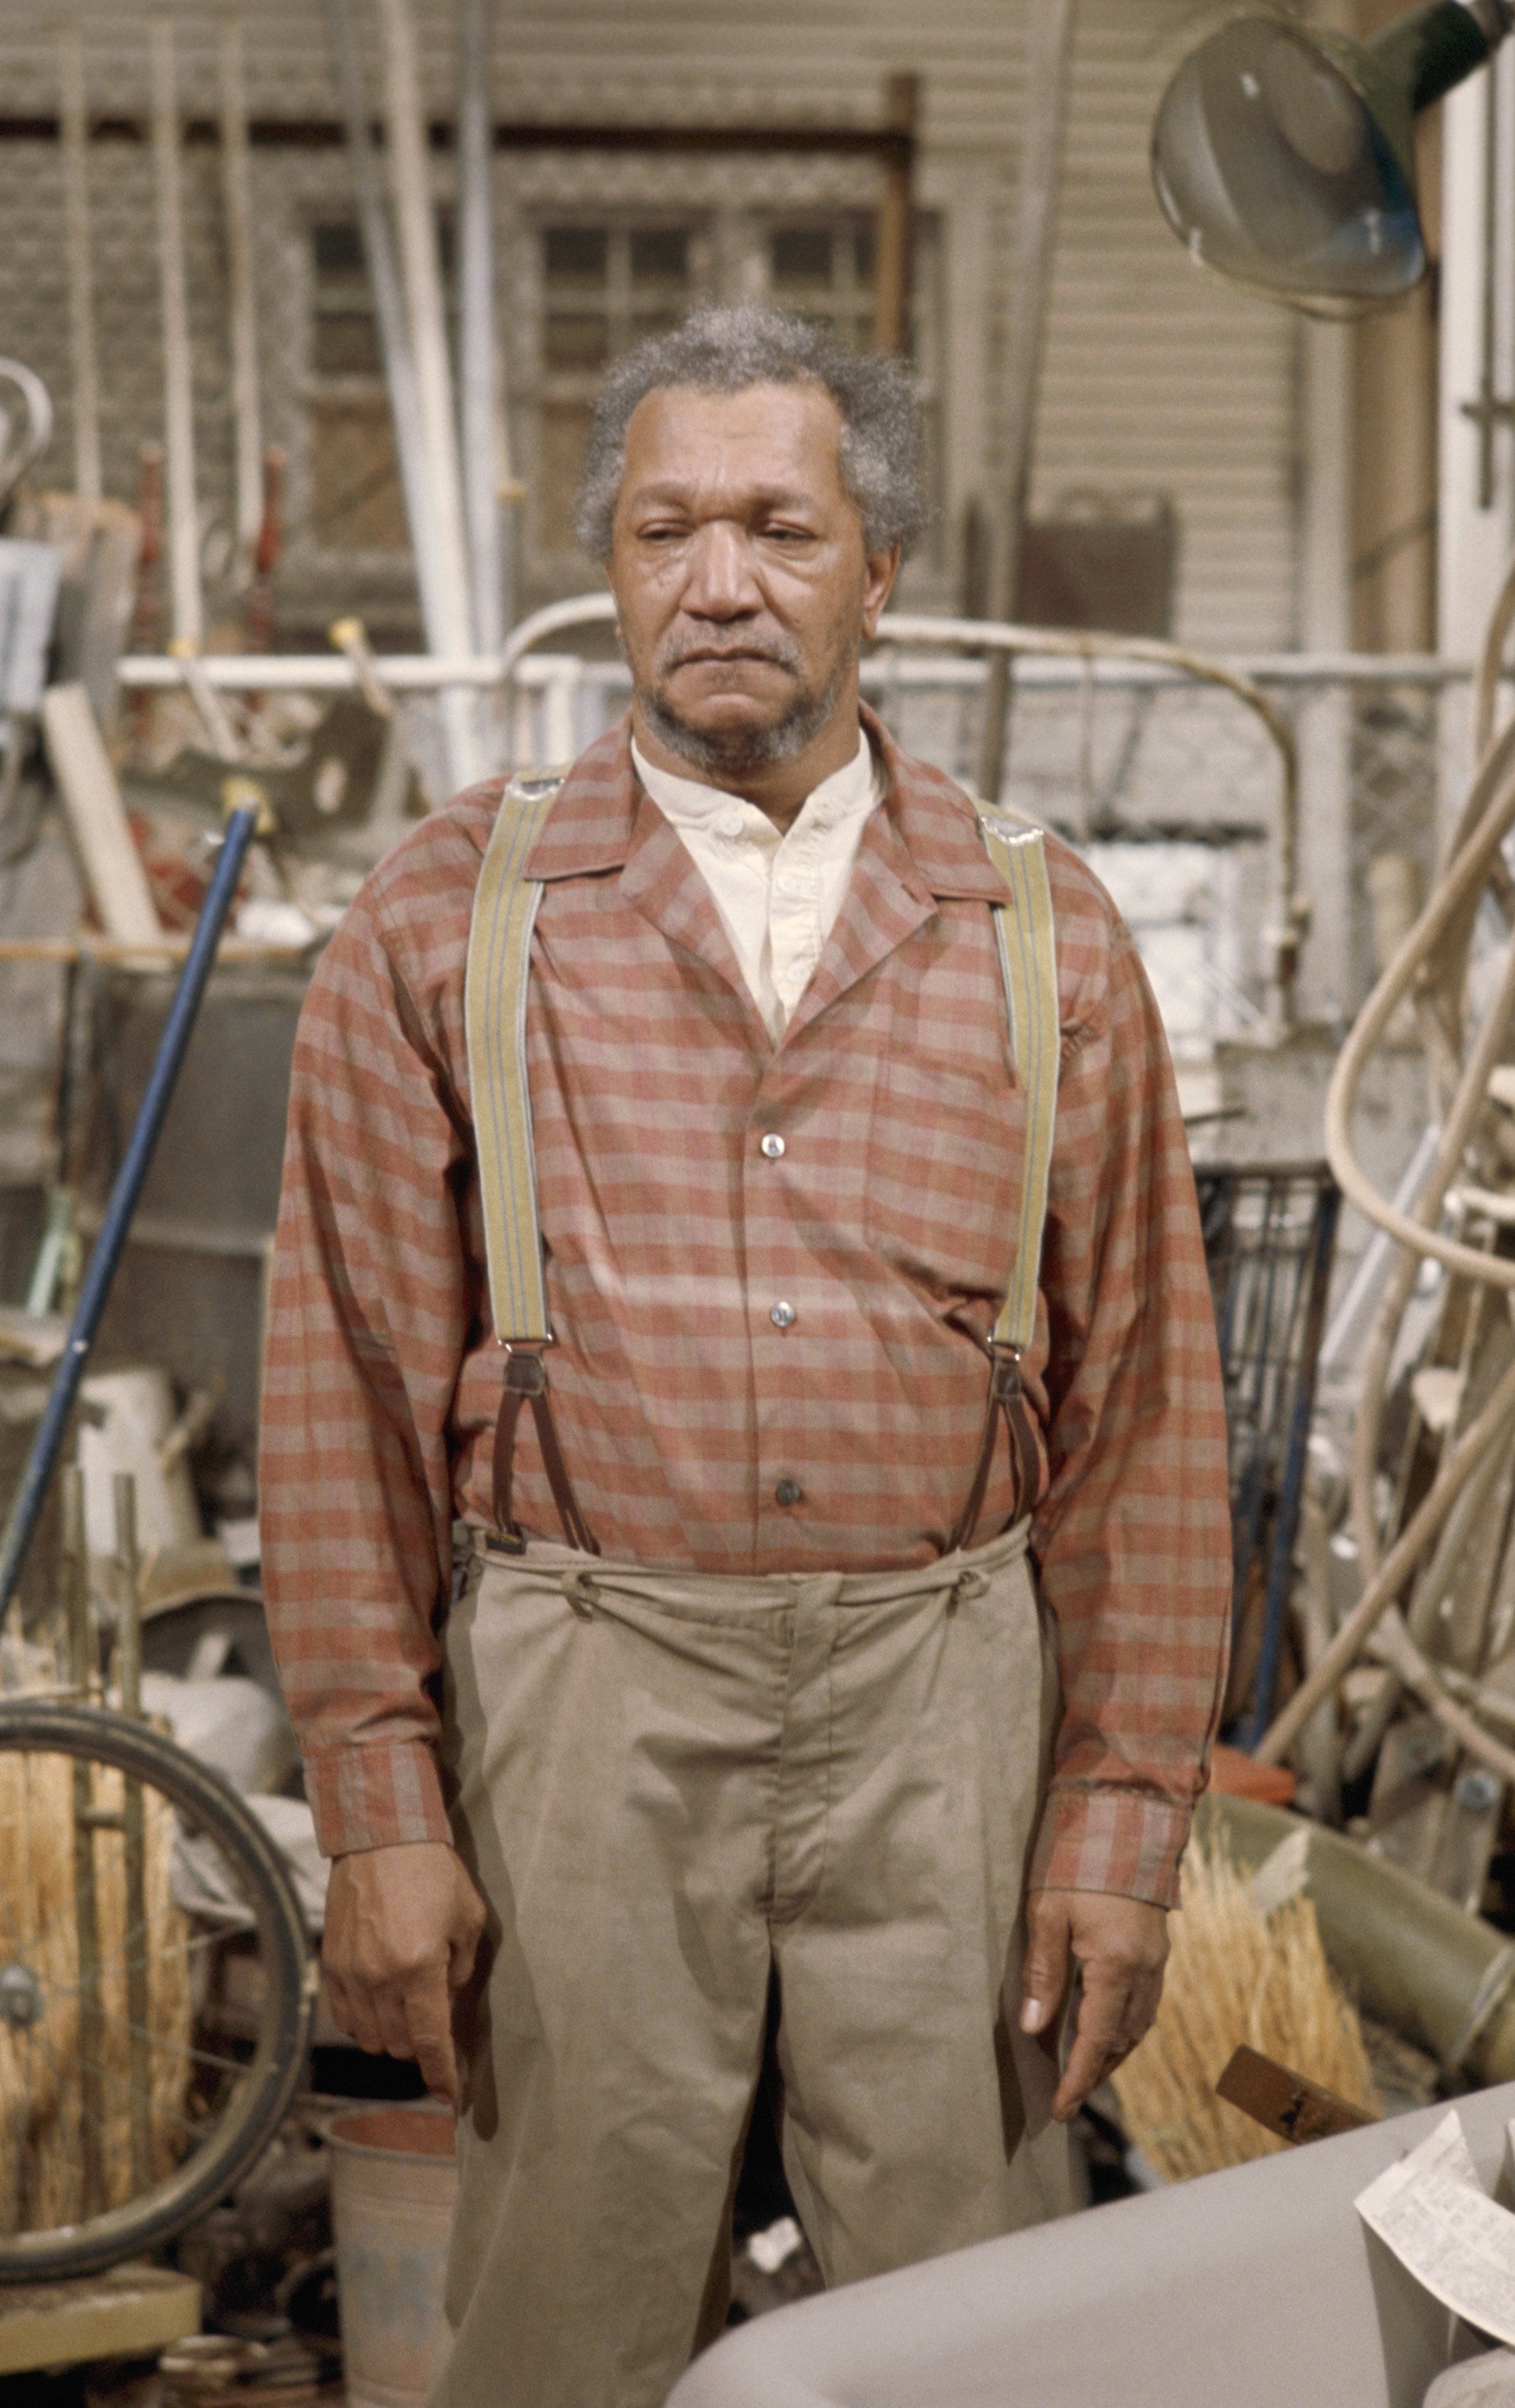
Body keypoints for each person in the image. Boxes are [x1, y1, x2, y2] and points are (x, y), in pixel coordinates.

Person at [261, 303, 1231, 2408]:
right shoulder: (445, 918)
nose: (717, 581)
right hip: (585, 1694)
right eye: (663, 528)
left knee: (981, 2324)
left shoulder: (1034, 933)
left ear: (876, 571)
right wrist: (373, 1808)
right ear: (608, 566)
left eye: (778, 528)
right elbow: (338, 1395)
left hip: (945, 1701)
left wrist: (1116, 1824)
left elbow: (1148, 1422)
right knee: (567, 2317)